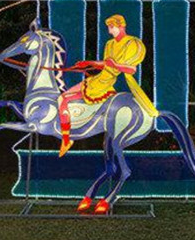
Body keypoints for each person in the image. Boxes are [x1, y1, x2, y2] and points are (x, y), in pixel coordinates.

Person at [58, 14, 157, 157]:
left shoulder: (132, 43)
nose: (109, 31)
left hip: (104, 84)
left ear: (121, 26)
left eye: (111, 27)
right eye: (109, 28)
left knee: (65, 99)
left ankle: (67, 139)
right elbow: (105, 64)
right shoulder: (109, 44)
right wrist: (89, 63)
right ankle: (67, 136)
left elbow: (131, 69)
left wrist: (115, 65)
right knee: (62, 97)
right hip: (97, 79)